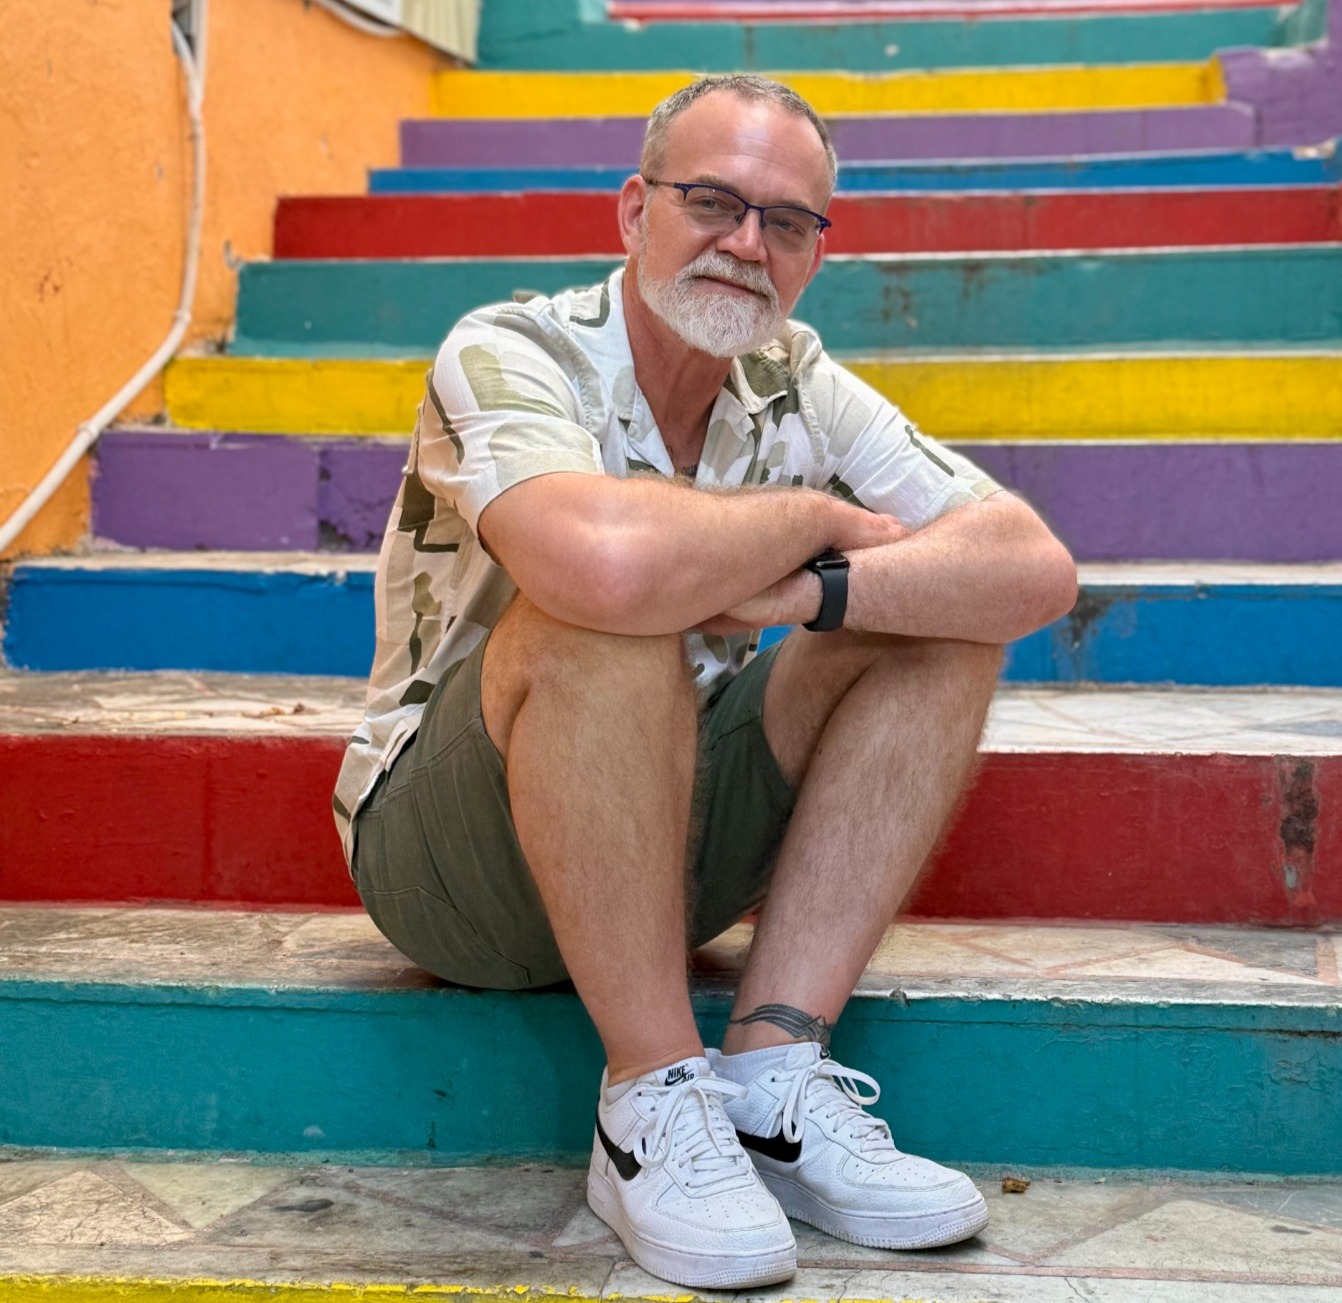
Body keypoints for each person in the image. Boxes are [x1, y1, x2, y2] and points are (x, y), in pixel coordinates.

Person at [332, 74, 1077, 1290]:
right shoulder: (513, 348)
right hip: (447, 853)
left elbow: (1031, 566)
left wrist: (808, 596)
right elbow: (603, 568)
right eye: (714, 203)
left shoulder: (797, 379)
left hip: (657, 836)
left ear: (815, 254)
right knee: (599, 618)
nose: (746, 244)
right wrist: (814, 520)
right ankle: (649, 1101)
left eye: (786, 221)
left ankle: (773, 1080)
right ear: (636, 211)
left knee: (940, 619)